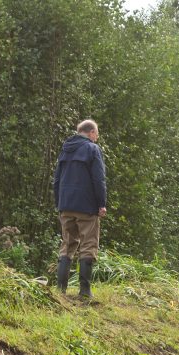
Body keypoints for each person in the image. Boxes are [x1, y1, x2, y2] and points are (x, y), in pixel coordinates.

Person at [53, 119, 107, 299]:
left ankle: (60, 290)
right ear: (91, 132)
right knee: (88, 245)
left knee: (67, 245)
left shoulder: (65, 149)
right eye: (97, 134)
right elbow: (98, 180)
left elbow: (57, 180)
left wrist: (59, 203)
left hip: (66, 205)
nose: (97, 138)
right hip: (86, 207)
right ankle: (85, 291)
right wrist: (101, 203)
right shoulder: (92, 149)